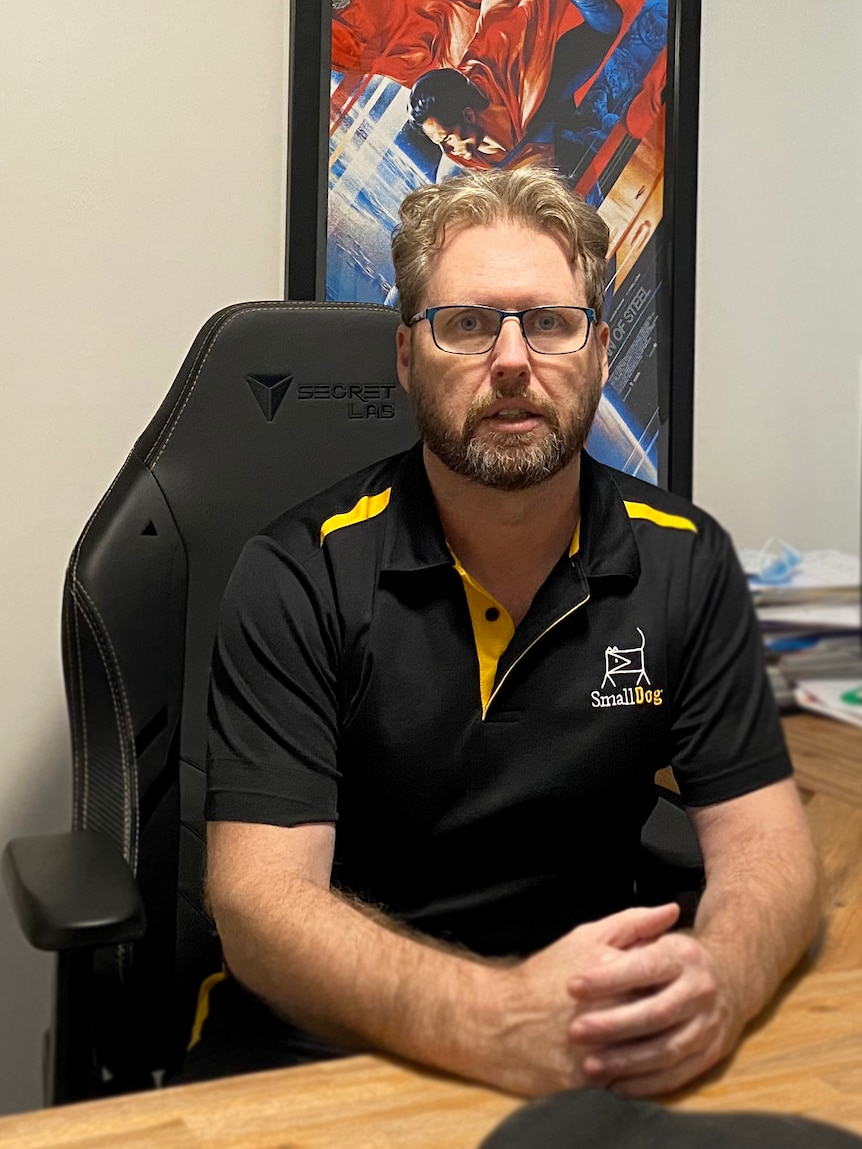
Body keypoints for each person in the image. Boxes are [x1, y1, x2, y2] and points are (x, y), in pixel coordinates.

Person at [189, 167, 822, 1099]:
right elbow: (259, 904)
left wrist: (720, 978)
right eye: (469, 323)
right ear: (407, 357)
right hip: (336, 1044)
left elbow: (771, 852)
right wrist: (495, 1018)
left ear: (601, 351)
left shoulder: (687, 563)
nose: (515, 361)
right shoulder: (299, 574)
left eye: (552, 323)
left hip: (595, 1041)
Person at [408, 0, 624, 169]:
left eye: (446, 139)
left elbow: (501, 13)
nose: (447, 151)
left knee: (608, 22)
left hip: (552, 76)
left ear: (468, 115)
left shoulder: (499, 55)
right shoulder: (468, 160)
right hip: (548, 129)